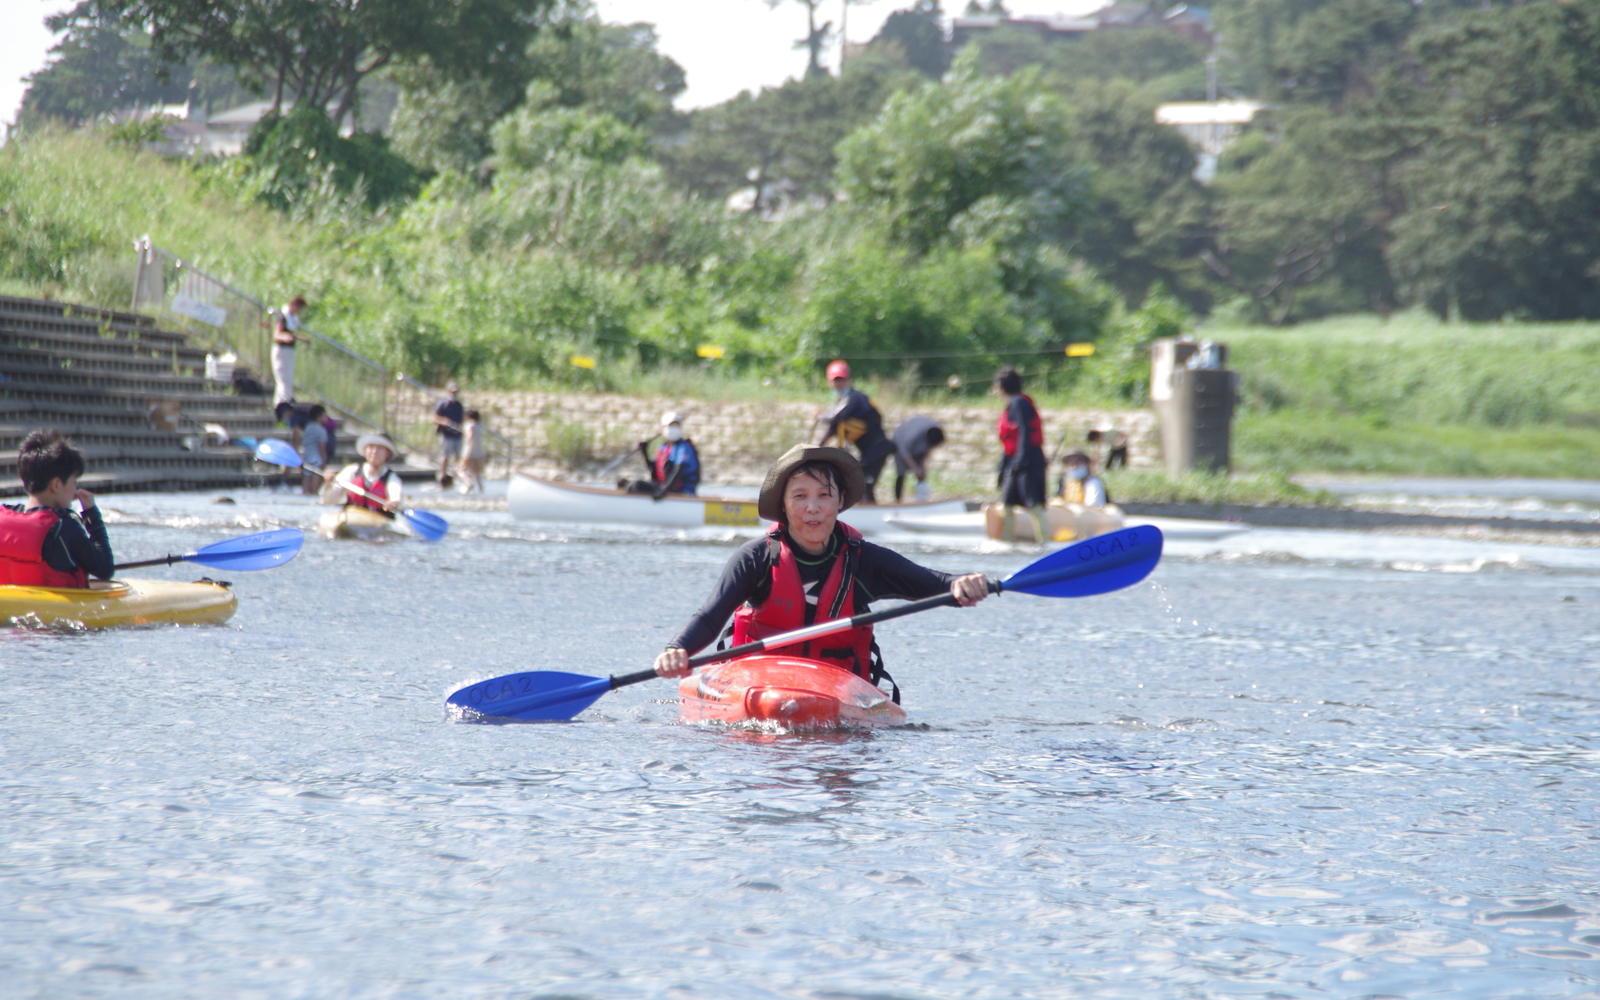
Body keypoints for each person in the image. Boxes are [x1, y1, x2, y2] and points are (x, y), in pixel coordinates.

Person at [652, 445, 991, 700]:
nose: (812, 508)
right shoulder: (756, 558)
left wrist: (962, 585)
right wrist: (676, 649)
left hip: (833, 688)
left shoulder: (865, 562)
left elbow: (935, 585)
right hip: (756, 686)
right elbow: (711, 616)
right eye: (799, 496)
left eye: (823, 496)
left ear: (839, 501)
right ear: (783, 505)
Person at [0, 430, 114, 587]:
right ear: (57, 485)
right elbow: (105, 569)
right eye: (74, 482)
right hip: (56, 608)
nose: (75, 491)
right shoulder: (64, 528)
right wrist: (92, 514)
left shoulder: (3, 518)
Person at [815, 360, 895, 505]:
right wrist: (816, 447)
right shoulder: (840, 402)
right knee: (857, 483)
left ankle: (869, 517)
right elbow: (832, 429)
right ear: (830, 383)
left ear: (849, 380)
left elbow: (834, 418)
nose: (839, 384)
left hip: (879, 448)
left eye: (842, 380)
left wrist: (820, 416)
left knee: (863, 484)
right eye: (835, 380)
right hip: (868, 452)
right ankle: (862, 513)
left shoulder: (855, 398)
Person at [994, 365, 1048, 543]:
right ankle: (1007, 541)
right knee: (1007, 504)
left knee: (1034, 503)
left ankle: (1043, 543)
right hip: (1015, 461)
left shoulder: (1019, 403)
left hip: (1029, 461)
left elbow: (1025, 431)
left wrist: (1022, 461)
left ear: (1001, 387)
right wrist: (1003, 468)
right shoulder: (1012, 405)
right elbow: (1009, 441)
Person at [322, 434, 404, 517]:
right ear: (365, 451)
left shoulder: (392, 479)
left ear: (388, 454)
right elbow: (329, 501)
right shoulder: (352, 471)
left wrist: (393, 503)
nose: (374, 452)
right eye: (371, 447)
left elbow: (396, 497)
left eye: (380, 448)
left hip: (379, 521)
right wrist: (328, 484)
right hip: (353, 519)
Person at [633, 411, 700, 498]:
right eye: (670, 426)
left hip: (683, 491)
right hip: (666, 488)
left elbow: (678, 471)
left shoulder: (684, 448)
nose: (673, 429)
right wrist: (645, 452)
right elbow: (655, 473)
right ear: (662, 428)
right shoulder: (663, 448)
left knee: (637, 486)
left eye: (676, 426)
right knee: (625, 483)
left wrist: (663, 490)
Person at [891, 416, 945, 503]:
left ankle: (921, 499)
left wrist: (922, 465)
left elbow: (929, 449)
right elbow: (904, 453)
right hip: (900, 444)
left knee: (921, 473)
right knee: (901, 473)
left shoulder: (936, 431)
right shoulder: (912, 435)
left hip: (918, 444)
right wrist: (915, 468)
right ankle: (898, 501)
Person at [271, 296, 308, 407]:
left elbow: (290, 333)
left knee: (287, 380)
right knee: (284, 380)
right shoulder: (283, 318)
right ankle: (284, 404)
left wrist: (300, 337)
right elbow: (277, 335)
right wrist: (285, 337)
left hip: (288, 352)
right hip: (282, 351)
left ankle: (279, 405)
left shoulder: (291, 319)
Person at [433, 380, 464, 488]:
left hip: (457, 435)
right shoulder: (443, 404)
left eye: (456, 392)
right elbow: (435, 417)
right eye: (452, 392)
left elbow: (462, 419)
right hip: (446, 435)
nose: (454, 394)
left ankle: (459, 475)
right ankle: (443, 475)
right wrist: (445, 422)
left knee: (458, 456)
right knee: (445, 456)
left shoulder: (458, 405)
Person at [299, 405, 329, 495]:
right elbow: (321, 446)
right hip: (316, 457)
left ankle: (305, 492)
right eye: (324, 416)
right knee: (317, 474)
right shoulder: (321, 430)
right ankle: (314, 492)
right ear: (319, 417)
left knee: (307, 477)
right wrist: (323, 459)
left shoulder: (308, 427)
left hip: (307, 456)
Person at [457, 408, 487, 494]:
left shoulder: (469, 425)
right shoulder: (479, 425)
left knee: (460, 470)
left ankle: (468, 483)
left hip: (469, 453)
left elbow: (470, 434)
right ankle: (480, 489)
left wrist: (467, 441)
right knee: (476, 472)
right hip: (479, 453)